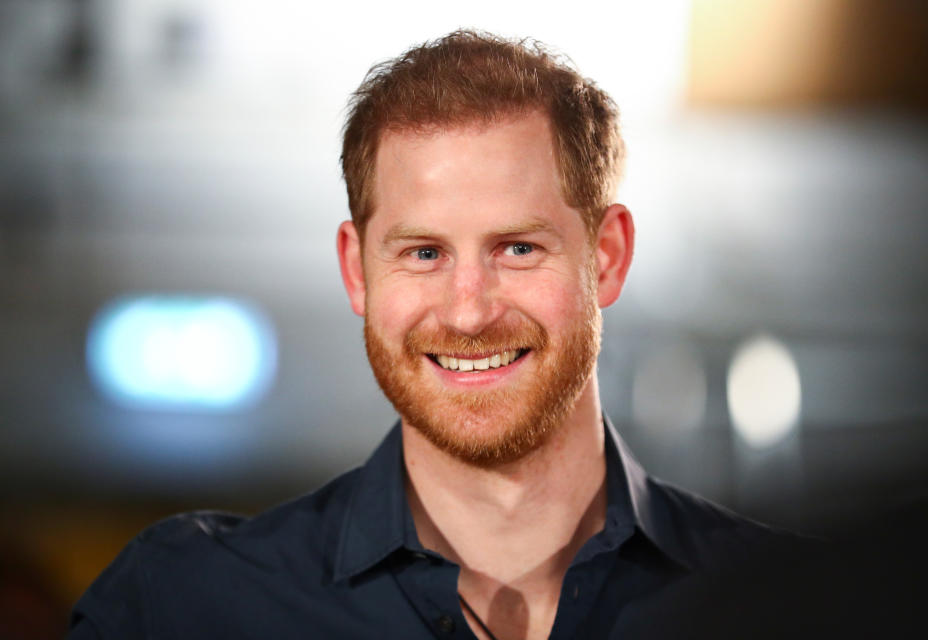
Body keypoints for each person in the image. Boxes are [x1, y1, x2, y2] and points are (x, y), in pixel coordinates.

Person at [69, 30, 795, 640]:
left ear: (606, 257)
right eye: (424, 253)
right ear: (357, 272)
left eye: (517, 248)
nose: (469, 311)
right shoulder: (184, 607)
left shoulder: (796, 608)